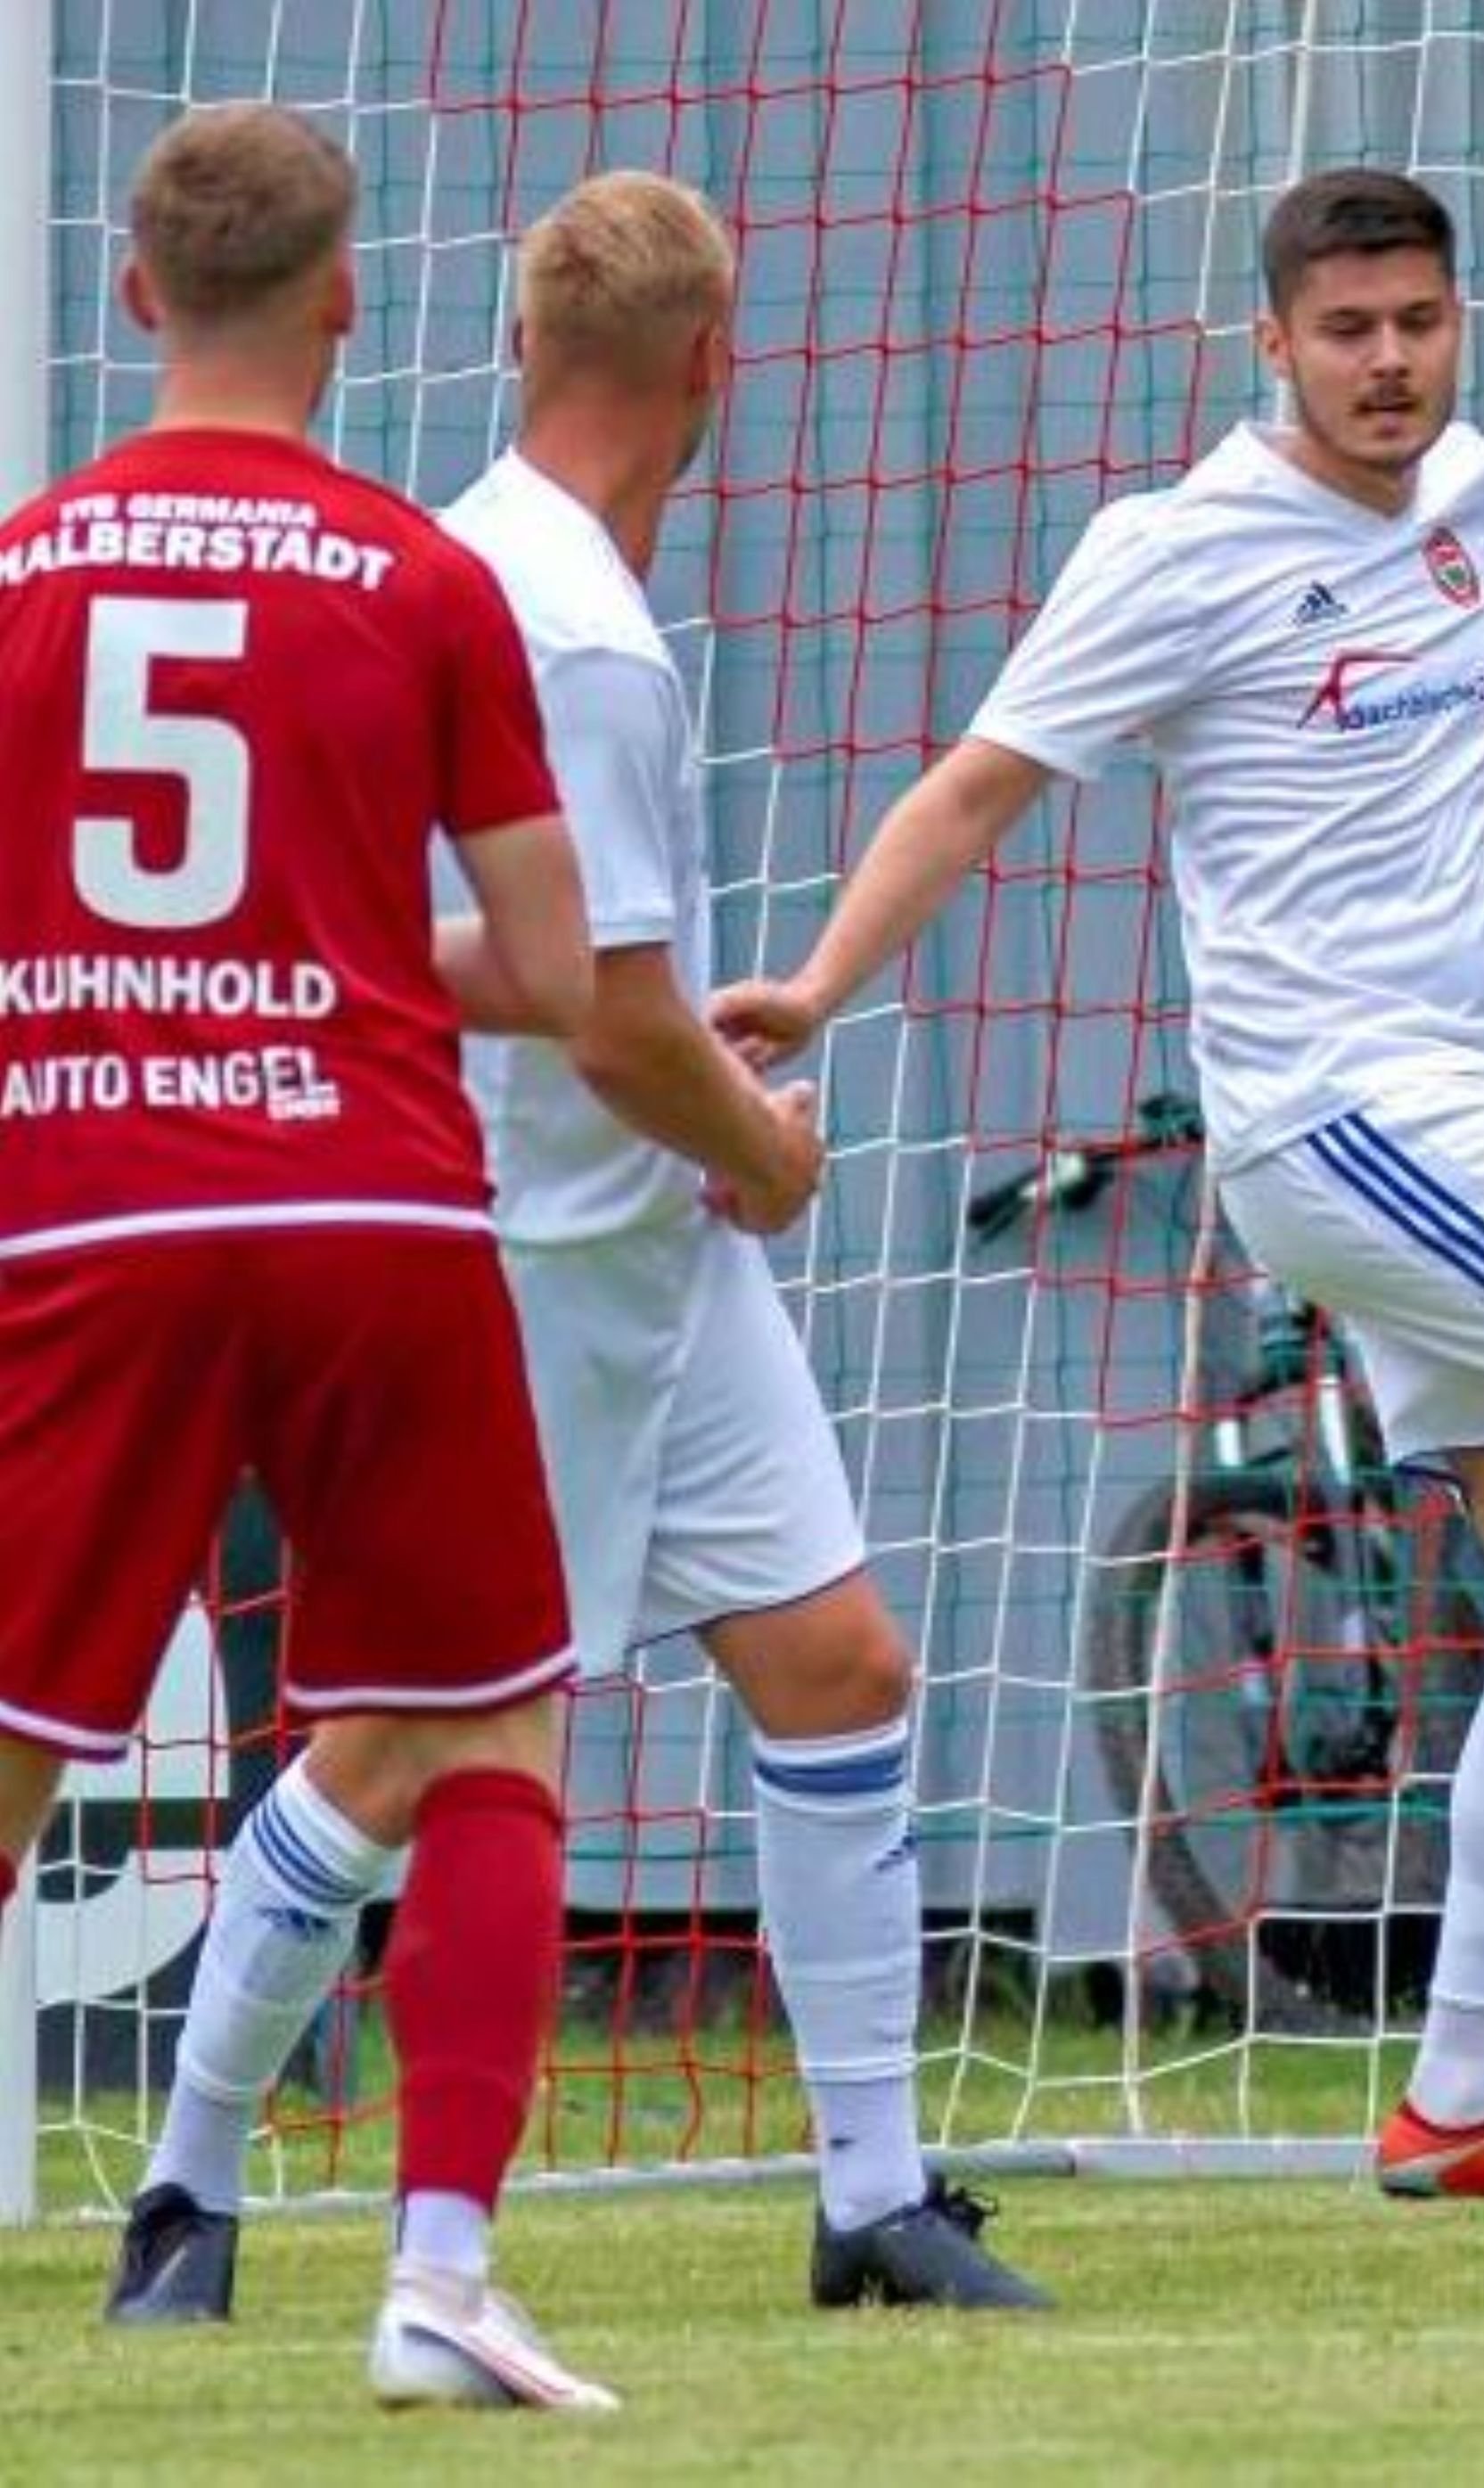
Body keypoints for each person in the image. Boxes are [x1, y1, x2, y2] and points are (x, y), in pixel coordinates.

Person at [710, 167, 1484, 2201]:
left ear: (1451, 323)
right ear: (1271, 345)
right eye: (1346, 331)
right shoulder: (1180, 549)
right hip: (1338, 1109)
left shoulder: (1466, 492)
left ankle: (1458, 2102)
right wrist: (819, 990)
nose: (1387, 363)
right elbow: (977, 784)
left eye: (1416, 323)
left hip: (1439, 1103)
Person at [102, 172, 1050, 2321]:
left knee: (836, 1665)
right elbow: (610, 1013)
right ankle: (185, 2193)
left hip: (646, 1246)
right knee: (394, 1758)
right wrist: (762, 1141)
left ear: (522, 343)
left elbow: (422, 941)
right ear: (716, 368)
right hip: (525, 1253)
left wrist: (688, 1111)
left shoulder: (472, 556)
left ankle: (874, 2195)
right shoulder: (583, 634)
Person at [0, 104, 618, 2408]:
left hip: (88, 1200)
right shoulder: (420, 578)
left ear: (141, 296)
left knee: (13, 1750)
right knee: (489, 1729)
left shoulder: (22, 573)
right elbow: (555, 968)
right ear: (348, 301)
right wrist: (335, 948)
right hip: (362, 1201)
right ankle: (441, 2275)